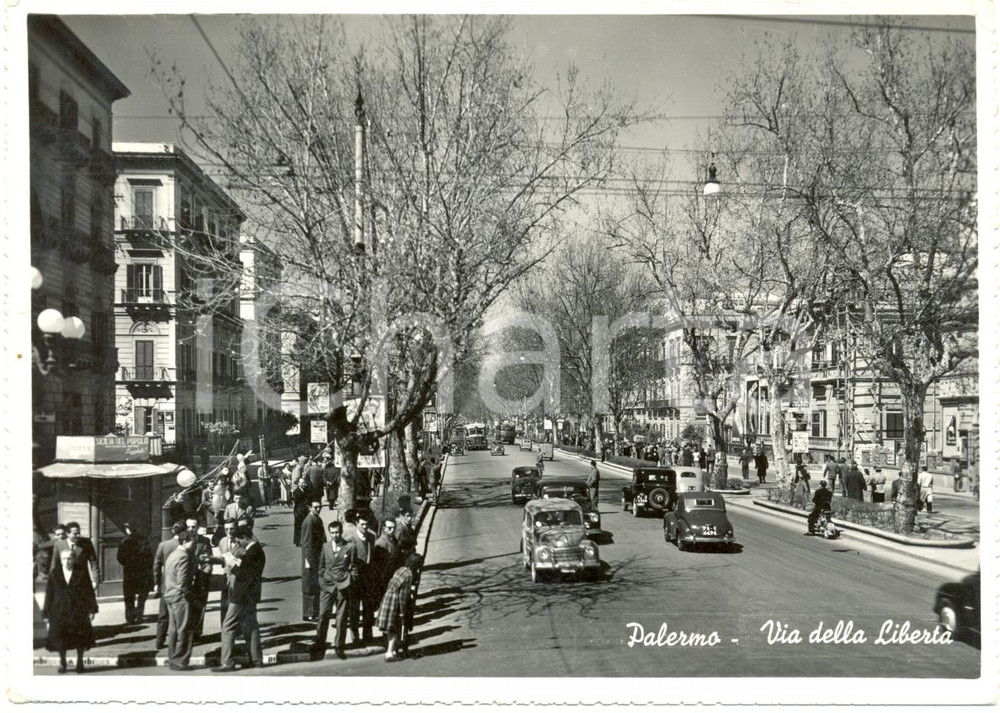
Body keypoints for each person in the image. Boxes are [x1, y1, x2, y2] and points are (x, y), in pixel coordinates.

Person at [213, 526, 265, 672]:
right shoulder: (257, 550)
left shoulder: (252, 552)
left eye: (238, 540)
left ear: (245, 537)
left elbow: (243, 573)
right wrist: (238, 562)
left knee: (228, 626)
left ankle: (227, 662)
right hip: (251, 595)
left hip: (241, 595)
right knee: (251, 626)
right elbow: (250, 569)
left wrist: (233, 565)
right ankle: (256, 659)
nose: (237, 543)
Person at [43, 548, 98, 674]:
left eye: (69, 558)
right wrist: (46, 612)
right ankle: (63, 663)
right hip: (59, 611)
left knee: (80, 637)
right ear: (60, 560)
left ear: (74, 559)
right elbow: (49, 593)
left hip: (78, 610)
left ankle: (80, 663)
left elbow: (89, 591)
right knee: (61, 639)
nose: (66, 561)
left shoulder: (81, 572)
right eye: (64, 558)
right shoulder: (55, 573)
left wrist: (92, 609)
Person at [311, 520, 351, 660]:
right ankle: (320, 642)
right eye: (332, 533)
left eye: (337, 532)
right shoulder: (325, 547)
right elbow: (321, 566)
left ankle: (339, 645)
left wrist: (349, 580)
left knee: (341, 618)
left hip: (342, 586)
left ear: (341, 532)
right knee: (323, 614)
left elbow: (354, 567)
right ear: (330, 533)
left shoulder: (349, 547)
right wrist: (322, 582)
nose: (335, 535)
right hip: (327, 586)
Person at [377, 553, 423, 662]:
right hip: (395, 603)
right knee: (395, 628)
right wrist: (402, 611)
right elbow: (403, 596)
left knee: (390, 628)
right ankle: (389, 653)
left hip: (388, 598)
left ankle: (393, 651)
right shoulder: (409, 576)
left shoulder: (401, 569)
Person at [163, 530, 196, 671]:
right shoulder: (184, 557)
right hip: (180, 597)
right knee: (184, 629)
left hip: (170, 595)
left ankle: (172, 658)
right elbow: (183, 581)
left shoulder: (173, 554)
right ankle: (181, 660)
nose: (194, 545)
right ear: (185, 542)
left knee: (174, 629)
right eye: (193, 542)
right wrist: (188, 595)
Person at [153, 522, 186, 649]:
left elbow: (156, 565)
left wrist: (156, 583)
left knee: (163, 615)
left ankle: (159, 641)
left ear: (173, 531)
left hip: (165, 584)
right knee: (179, 615)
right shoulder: (183, 546)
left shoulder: (163, 545)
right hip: (179, 584)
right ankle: (178, 642)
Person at [346, 511, 376, 646]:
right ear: (356, 524)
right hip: (355, 579)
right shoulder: (350, 538)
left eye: (367, 524)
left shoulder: (371, 537)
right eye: (362, 524)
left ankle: (368, 634)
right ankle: (354, 634)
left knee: (368, 607)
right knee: (354, 608)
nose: (365, 527)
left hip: (368, 578)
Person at [117, 523, 153, 624]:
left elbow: (119, 557)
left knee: (129, 595)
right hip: (142, 571)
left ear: (128, 530)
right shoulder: (144, 540)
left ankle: (130, 617)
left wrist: (127, 564)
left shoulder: (123, 541)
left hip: (129, 572)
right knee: (142, 595)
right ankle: (139, 614)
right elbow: (149, 556)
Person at [185, 519, 214, 643]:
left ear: (197, 527)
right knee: (186, 608)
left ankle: (197, 634)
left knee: (200, 606)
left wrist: (206, 570)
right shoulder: (182, 541)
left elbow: (209, 559)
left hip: (201, 579)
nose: (192, 529)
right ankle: (186, 635)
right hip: (186, 580)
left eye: (194, 527)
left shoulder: (205, 541)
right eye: (189, 527)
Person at [54, 522, 99, 591]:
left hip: (83, 581)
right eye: (75, 534)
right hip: (65, 582)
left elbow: (93, 562)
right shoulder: (59, 545)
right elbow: (54, 565)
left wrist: (96, 580)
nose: (78, 535)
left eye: (79, 533)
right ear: (67, 534)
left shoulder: (86, 543)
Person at [300, 501, 325, 622]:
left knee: (315, 585)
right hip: (310, 559)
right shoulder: (309, 521)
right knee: (309, 586)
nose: (318, 509)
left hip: (316, 557)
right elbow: (307, 543)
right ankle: (309, 613)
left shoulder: (316, 519)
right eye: (315, 507)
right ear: (310, 507)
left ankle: (314, 612)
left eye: (320, 507)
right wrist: (309, 561)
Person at [371, 517, 400, 604]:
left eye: (394, 528)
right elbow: (378, 566)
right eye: (390, 528)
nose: (392, 530)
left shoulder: (393, 540)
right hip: (385, 580)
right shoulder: (380, 543)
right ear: (384, 528)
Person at [215, 519, 238, 627]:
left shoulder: (241, 541)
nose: (229, 531)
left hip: (238, 577)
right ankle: (225, 627)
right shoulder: (223, 541)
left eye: (231, 529)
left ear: (236, 528)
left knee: (237, 604)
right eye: (226, 529)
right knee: (225, 603)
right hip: (226, 576)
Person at [291, 476, 310, 546]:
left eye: (304, 483)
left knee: (304, 525)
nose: (303, 484)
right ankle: (297, 542)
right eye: (302, 483)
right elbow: (296, 500)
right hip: (298, 511)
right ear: (298, 483)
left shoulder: (305, 490)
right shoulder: (296, 491)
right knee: (298, 526)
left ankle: (303, 540)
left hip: (304, 510)